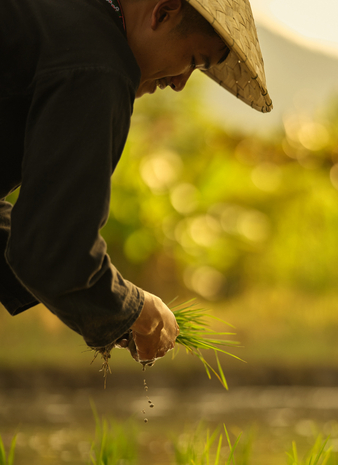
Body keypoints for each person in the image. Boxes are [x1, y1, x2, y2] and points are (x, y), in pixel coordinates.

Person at [0, 0, 272, 365]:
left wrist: (116, 302)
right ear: (163, 12)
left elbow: (40, 244)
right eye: (193, 61)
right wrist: (132, 308)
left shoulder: (54, 19)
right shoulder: (98, 61)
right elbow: (53, 247)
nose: (179, 84)